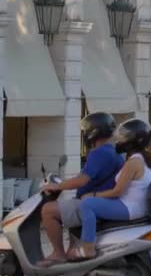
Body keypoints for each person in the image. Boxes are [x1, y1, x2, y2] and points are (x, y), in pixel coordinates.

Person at [38, 112, 124, 267]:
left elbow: (82, 180)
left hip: (95, 203)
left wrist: (56, 186)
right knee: (68, 207)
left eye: (86, 130)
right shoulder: (113, 152)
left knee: (48, 210)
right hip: (103, 201)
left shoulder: (99, 153)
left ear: (94, 131)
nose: (84, 134)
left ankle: (58, 254)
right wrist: (63, 183)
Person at [69, 119, 151, 261]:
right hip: (138, 207)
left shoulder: (133, 162)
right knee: (92, 203)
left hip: (129, 208)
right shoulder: (144, 159)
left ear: (134, 140)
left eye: (124, 136)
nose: (119, 139)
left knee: (87, 204)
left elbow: (117, 191)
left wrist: (93, 194)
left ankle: (88, 248)